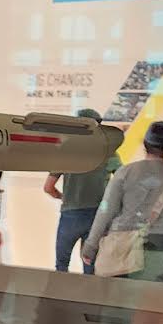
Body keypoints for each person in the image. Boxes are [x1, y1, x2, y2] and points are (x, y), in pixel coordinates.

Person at [83, 121, 163, 282]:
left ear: (145, 144)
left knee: (120, 299)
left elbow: (106, 209)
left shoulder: (125, 172)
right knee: (153, 299)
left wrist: (91, 244)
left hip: (124, 246)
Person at [45, 107, 120, 274]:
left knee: (61, 265)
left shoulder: (66, 150)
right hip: (97, 216)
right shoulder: (108, 152)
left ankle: (60, 299)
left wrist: (63, 197)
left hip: (70, 215)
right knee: (90, 267)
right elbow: (121, 181)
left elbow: (48, 188)